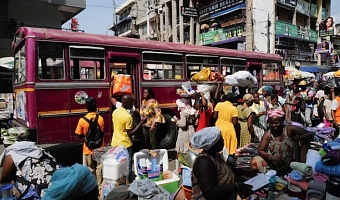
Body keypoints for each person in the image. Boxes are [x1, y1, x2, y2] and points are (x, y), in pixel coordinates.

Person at [190, 127, 253, 200]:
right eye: (221, 139)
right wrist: (236, 187)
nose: (223, 140)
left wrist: (246, 172)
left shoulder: (216, 156)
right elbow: (210, 192)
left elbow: (225, 172)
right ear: (214, 144)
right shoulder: (204, 162)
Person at [0, 127, 60, 199]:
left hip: (40, 190)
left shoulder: (11, 153)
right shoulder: (37, 148)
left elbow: (5, 178)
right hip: (57, 182)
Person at [256, 109, 314, 175]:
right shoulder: (268, 134)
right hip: (276, 169)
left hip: (293, 166)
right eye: (271, 123)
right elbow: (261, 150)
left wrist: (300, 138)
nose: (274, 125)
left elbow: (310, 134)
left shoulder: (289, 129)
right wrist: (273, 158)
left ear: (282, 120)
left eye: (276, 123)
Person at [111, 95, 146, 183]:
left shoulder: (115, 112)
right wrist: (141, 123)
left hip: (115, 143)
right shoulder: (128, 116)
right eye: (131, 103)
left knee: (118, 164)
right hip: (126, 144)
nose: (133, 105)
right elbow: (130, 133)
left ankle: (118, 182)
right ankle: (127, 183)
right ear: (127, 103)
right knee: (128, 167)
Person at [75, 97, 104, 187]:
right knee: (99, 168)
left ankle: (92, 187)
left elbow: (78, 135)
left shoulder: (82, 120)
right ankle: (100, 188)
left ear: (86, 107)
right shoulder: (101, 118)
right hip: (100, 148)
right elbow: (102, 132)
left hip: (88, 149)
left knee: (90, 169)